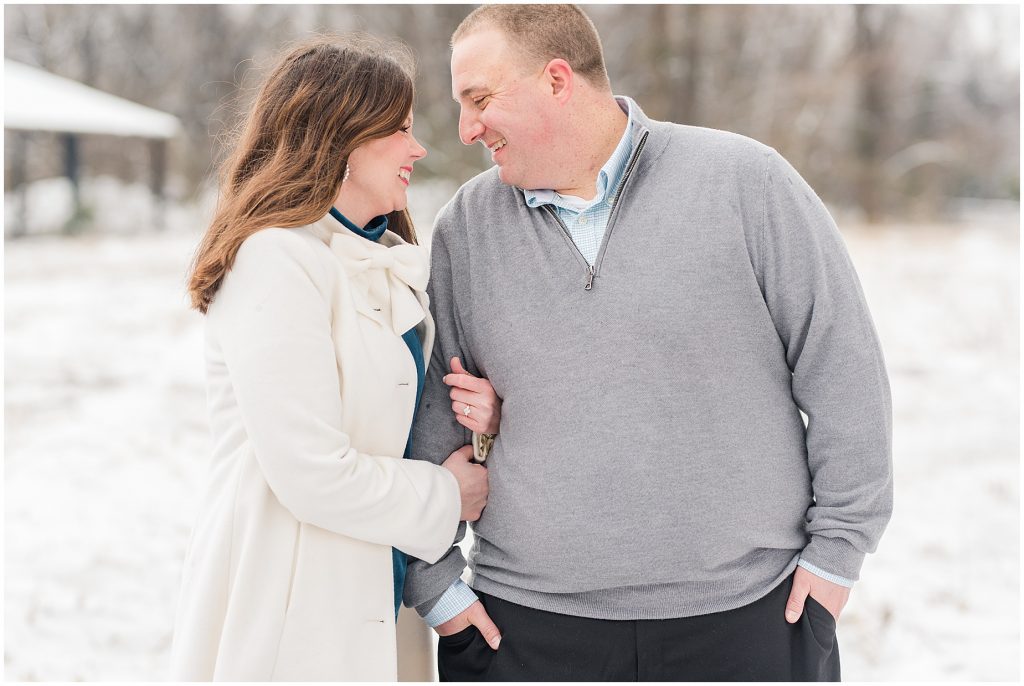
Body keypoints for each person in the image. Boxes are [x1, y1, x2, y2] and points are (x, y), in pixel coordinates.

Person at [403, 4, 893, 681]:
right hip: (525, 630)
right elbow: (432, 415)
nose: (466, 129)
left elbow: (843, 369)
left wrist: (838, 552)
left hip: (747, 619)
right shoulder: (468, 227)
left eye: (479, 99)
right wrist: (436, 589)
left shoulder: (748, 184)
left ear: (555, 80)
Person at [170, 36, 501, 681]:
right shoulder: (275, 260)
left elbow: (404, 419)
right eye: (400, 130)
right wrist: (446, 494)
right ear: (341, 136)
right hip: (293, 602)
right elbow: (310, 471)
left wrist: (478, 416)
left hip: (374, 592)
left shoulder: (383, 260)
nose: (419, 149)